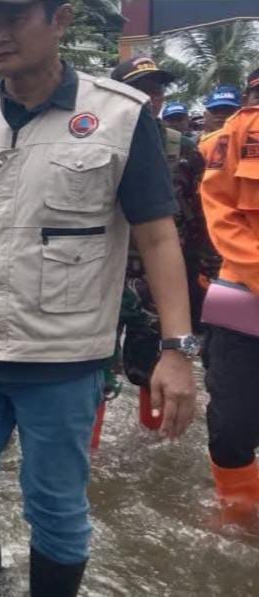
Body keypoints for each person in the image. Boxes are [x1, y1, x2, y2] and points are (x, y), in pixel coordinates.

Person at [0, 1, 198, 594]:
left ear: (61, 20)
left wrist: (177, 350)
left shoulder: (120, 118)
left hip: (62, 358)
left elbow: (156, 235)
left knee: (54, 510)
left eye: (15, 17)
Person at [109, 57, 219, 432]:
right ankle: (87, 457)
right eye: (141, 88)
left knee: (152, 368)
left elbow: (200, 219)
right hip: (101, 276)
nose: (151, 98)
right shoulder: (92, 143)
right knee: (90, 372)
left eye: (156, 90)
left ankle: (155, 449)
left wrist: (208, 274)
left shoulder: (184, 150)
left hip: (156, 282)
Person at [198, 67, 259, 526]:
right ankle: (238, 522)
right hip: (245, 296)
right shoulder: (236, 132)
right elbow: (221, 213)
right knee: (232, 426)